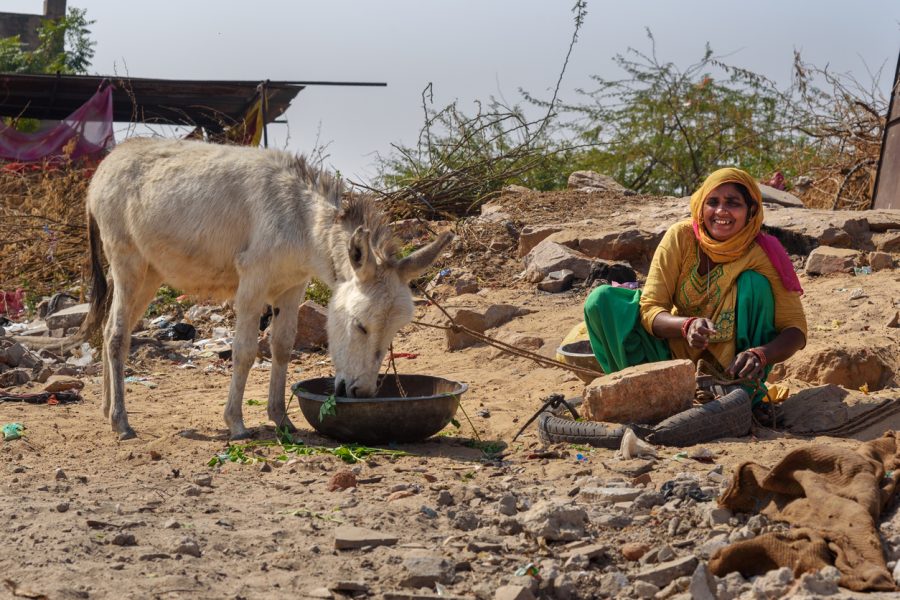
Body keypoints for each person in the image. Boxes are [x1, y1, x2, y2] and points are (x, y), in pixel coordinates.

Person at [583, 167, 807, 404]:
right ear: (701, 206)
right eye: (712, 202)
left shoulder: (763, 253)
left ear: (750, 210)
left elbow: (795, 330)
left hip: (732, 371)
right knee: (602, 300)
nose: (721, 211)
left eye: (733, 203)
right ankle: (641, 394)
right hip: (670, 359)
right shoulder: (681, 237)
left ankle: (742, 391)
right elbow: (650, 308)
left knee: (755, 284)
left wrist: (760, 355)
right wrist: (686, 326)